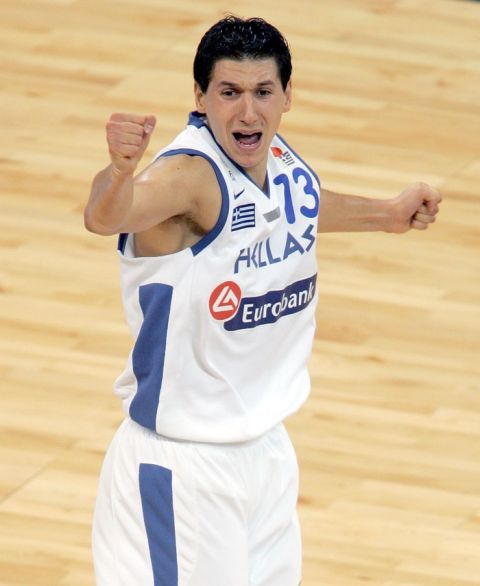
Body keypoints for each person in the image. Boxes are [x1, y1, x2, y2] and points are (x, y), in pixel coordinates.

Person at [84, 15, 441, 586]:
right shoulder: (187, 177)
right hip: (184, 469)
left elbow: (296, 209)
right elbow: (108, 216)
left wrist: (387, 215)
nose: (247, 112)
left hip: (266, 453)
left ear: (287, 96)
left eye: (262, 92)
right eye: (229, 93)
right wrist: (120, 170)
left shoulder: (277, 163)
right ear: (200, 97)